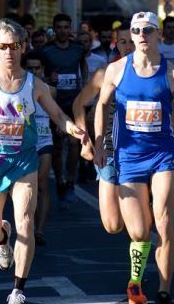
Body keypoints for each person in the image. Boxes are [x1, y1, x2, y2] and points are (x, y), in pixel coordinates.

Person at [0, 18, 88, 304]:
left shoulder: (35, 84)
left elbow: (57, 115)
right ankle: (2, 238)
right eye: (2, 46)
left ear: (23, 47)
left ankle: (18, 290)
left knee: (25, 222)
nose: (8, 52)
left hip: (24, 162)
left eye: (14, 46)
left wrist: (73, 128)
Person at [95, 11, 174, 304]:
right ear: (131, 36)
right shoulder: (116, 70)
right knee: (138, 231)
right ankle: (135, 279)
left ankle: (164, 289)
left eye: (148, 30)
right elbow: (102, 105)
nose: (142, 36)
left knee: (163, 221)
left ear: (158, 34)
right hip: (129, 159)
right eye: (136, 31)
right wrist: (98, 143)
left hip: (163, 157)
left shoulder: (173, 74)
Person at [73, 31, 134, 235]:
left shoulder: (154, 73)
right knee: (113, 225)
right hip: (108, 148)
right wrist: (85, 141)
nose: (128, 47)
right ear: (117, 45)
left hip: (142, 151)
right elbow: (79, 104)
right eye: (123, 42)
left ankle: (140, 241)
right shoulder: (105, 73)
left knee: (141, 221)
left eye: (132, 42)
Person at [40, 12, 86, 206]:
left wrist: (85, 91)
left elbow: (83, 69)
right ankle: (60, 181)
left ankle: (71, 182)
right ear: (54, 29)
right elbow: (38, 75)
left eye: (66, 27)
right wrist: (48, 79)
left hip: (74, 103)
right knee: (58, 147)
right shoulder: (46, 50)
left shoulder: (78, 49)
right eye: (59, 27)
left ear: (70, 29)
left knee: (75, 143)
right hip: (54, 103)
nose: (63, 31)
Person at [23, 51, 55, 246]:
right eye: (30, 68)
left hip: (44, 141)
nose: (34, 71)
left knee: (42, 183)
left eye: (37, 68)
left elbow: (57, 113)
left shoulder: (50, 90)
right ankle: (26, 223)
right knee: (27, 186)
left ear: (43, 69)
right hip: (24, 143)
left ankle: (40, 230)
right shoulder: (18, 89)